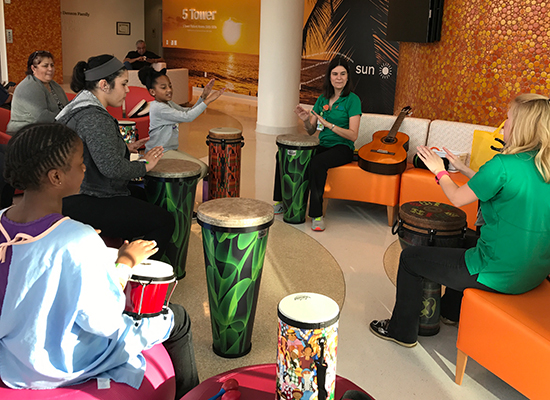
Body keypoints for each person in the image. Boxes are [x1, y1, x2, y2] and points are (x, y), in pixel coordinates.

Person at [0, 123, 198, 397]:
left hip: (13, 359)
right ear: (56, 177)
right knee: (179, 318)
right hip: (60, 362)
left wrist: (79, 240)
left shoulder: (3, 219)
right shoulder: (78, 239)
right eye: (80, 164)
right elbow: (103, 320)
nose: (84, 169)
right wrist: (125, 263)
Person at [370, 93, 550, 347]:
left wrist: (439, 170)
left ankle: (401, 331)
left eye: (508, 118)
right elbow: (500, 184)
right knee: (460, 238)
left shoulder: (503, 164)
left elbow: (456, 197)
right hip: (533, 272)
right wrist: (462, 169)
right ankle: (451, 312)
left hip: (500, 273)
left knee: (410, 260)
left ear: (522, 126)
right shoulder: (543, 165)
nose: (504, 124)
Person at [55, 54, 174, 259]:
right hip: (86, 197)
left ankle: (124, 250)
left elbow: (91, 150)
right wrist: (146, 165)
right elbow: (112, 169)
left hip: (77, 192)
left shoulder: (80, 107)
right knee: (165, 221)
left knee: (142, 196)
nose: (127, 90)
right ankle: (135, 276)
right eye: (124, 83)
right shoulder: (93, 117)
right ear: (104, 84)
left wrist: (125, 147)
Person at [274, 57, 361, 231]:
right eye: (335, 74)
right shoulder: (322, 99)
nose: (339, 78)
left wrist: (330, 126)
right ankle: (280, 200)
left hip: (342, 148)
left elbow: (353, 135)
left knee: (317, 164)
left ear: (347, 76)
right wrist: (305, 120)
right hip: (322, 144)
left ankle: (316, 214)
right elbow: (311, 130)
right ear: (329, 77)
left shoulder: (353, 100)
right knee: (282, 154)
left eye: (342, 74)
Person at [138, 66, 225, 179]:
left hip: (169, 150)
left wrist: (203, 96)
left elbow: (188, 111)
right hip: (159, 153)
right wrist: (208, 101)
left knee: (202, 168)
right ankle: (182, 194)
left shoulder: (168, 104)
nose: (169, 90)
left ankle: (183, 192)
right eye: (163, 87)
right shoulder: (159, 108)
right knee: (201, 168)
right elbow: (188, 117)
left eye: (170, 86)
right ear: (152, 92)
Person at [7, 51, 68, 134]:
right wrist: (69, 119)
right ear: (33, 68)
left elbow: (66, 107)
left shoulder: (53, 85)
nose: (50, 69)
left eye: (52, 65)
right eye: (45, 66)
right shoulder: (28, 87)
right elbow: (43, 117)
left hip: (49, 129)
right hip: (25, 135)